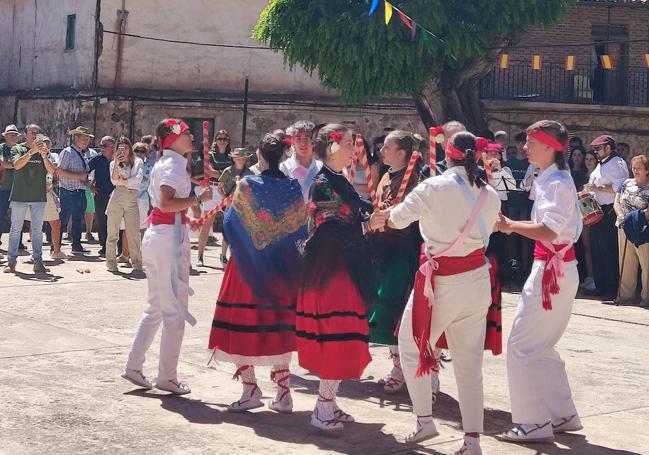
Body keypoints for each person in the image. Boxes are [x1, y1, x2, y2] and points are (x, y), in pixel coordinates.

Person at [384, 132, 499, 455]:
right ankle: (473, 440)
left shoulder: (433, 187)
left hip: (443, 281)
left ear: (447, 156)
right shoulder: (489, 194)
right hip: (477, 280)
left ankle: (424, 420)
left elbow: (396, 218)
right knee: (469, 364)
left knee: (410, 344)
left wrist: (386, 216)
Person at [296, 124, 387, 433]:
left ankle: (330, 402)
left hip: (342, 267)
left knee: (345, 333)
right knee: (338, 334)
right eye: (349, 143)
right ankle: (322, 408)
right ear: (333, 148)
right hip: (331, 271)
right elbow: (329, 230)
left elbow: (356, 209)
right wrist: (366, 226)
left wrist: (374, 212)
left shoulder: (338, 179)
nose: (355, 149)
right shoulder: (323, 183)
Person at [208, 131, 307, 413]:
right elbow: (300, 226)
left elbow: (230, 222)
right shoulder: (292, 187)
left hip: (248, 266)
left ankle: (250, 388)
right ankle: (284, 392)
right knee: (278, 325)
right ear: (284, 155)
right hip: (281, 267)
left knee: (241, 321)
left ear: (259, 156)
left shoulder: (248, 184)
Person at [497, 120, 583, 444]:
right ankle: (563, 413)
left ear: (549, 146)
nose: (524, 147)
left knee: (521, 345)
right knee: (540, 345)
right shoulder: (554, 178)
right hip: (559, 268)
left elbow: (548, 230)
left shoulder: (556, 182)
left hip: (551, 271)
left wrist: (509, 225)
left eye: (531, 142)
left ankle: (532, 422)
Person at [122, 118, 212, 394]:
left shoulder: (164, 161)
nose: (192, 138)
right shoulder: (173, 164)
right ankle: (167, 376)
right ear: (173, 137)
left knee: (157, 307)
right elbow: (165, 202)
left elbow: (167, 206)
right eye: (187, 133)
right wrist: (197, 199)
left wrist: (189, 213)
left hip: (160, 234)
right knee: (173, 312)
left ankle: (134, 366)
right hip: (167, 240)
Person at [367, 131, 423, 394]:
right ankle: (397, 364)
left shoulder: (415, 179)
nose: (381, 151)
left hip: (403, 250)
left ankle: (405, 368)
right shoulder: (387, 175)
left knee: (396, 307)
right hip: (382, 249)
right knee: (381, 304)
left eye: (387, 147)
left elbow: (409, 216)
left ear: (401, 152)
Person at [3, 125, 56, 274]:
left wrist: (44, 155)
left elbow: (52, 170)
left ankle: (38, 261)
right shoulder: (17, 149)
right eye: (32, 132)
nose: (35, 134)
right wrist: (32, 152)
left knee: (37, 230)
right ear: (25, 134)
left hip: (38, 196)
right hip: (20, 195)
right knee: (15, 230)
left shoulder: (44, 151)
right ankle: (11, 262)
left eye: (37, 132)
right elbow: (17, 165)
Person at [584, 134, 629, 299]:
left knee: (608, 250)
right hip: (597, 210)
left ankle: (611, 288)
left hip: (610, 210)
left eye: (598, 149)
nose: (595, 152)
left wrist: (599, 188)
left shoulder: (617, 163)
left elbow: (621, 186)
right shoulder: (601, 164)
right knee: (597, 250)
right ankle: (601, 286)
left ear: (608, 148)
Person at [614, 155, 649, 306]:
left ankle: (646, 297)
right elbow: (617, 201)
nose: (635, 171)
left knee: (646, 263)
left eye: (639, 168)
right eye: (633, 168)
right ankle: (626, 295)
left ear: (647, 170)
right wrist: (622, 216)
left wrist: (636, 218)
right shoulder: (626, 183)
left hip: (643, 228)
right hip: (624, 227)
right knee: (626, 263)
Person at [24, 136, 65, 260]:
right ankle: (35, 253)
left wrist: (50, 185)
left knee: (56, 223)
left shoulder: (52, 158)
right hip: (34, 194)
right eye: (41, 144)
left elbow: (55, 176)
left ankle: (56, 251)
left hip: (48, 194)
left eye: (46, 145)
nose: (44, 147)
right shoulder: (31, 157)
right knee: (35, 224)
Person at [106, 137, 144, 273]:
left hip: (132, 197)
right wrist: (117, 162)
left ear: (130, 148)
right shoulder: (113, 163)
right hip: (117, 196)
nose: (123, 151)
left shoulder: (138, 161)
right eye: (120, 148)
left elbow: (139, 178)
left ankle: (137, 262)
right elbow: (114, 180)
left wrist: (125, 181)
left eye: (125, 148)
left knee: (133, 232)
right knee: (112, 232)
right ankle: (111, 262)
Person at [57, 126, 94, 254]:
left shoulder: (81, 154)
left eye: (88, 139)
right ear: (76, 138)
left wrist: (88, 182)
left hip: (80, 191)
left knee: (78, 220)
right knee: (63, 220)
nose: (87, 142)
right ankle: (56, 246)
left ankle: (76, 245)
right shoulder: (67, 152)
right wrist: (78, 176)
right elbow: (59, 171)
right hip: (68, 192)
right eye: (84, 139)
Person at [217, 147, 254, 266]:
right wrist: (225, 199)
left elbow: (252, 189)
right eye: (239, 158)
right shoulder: (228, 171)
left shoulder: (250, 173)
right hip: (230, 205)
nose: (241, 160)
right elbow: (219, 187)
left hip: (243, 207)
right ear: (234, 158)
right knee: (227, 231)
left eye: (243, 158)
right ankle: (223, 255)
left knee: (240, 231)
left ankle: (235, 256)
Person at [279, 120, 323, 202]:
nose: (303, 143)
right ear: (293, 142)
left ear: (314, 141)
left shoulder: (321, 168)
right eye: (298, 139)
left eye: (307, 138)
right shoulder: (285, 168)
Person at [88, 136, 116, 256]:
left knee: (116, 221)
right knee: (102, 220)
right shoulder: (97, 160)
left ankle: (118, 248)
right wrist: (90, 186)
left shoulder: (120, 159)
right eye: (101, 145)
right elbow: (85, 171)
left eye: (104, 146)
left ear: (112, 147)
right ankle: (104, 246)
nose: (101, 148)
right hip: (101, 194)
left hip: (117, 194)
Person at [0, 125, 21, 248]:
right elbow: (3, 164)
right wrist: (17, 165)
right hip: (3, 188)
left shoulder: (19, 149)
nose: (13, 136)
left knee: (18, 217)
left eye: (15, 134)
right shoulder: (1, 148)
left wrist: (12, 164)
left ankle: (17, 242)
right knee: (0, 215)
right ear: (5, 136)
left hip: (18, 188)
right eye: (11, 134)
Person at [133, 141, 154, 233]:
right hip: (129, 196)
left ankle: (142, 245)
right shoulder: (127, 166)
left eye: (142, 151)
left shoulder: (149, 167)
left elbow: (150, 184)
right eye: (136, 150)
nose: (139, 153)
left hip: (142, 197)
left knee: (143, 223)